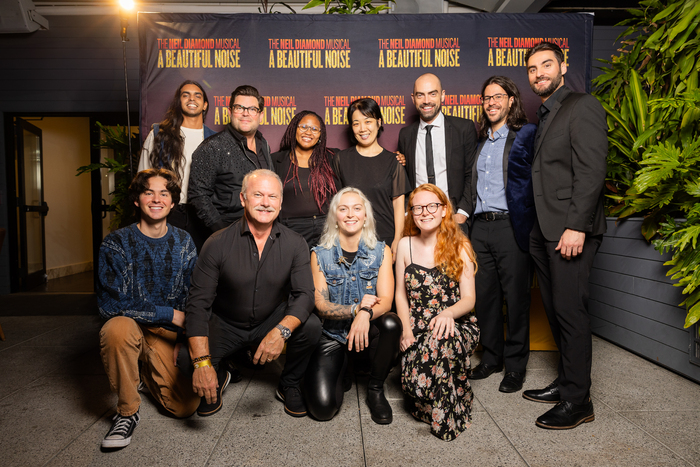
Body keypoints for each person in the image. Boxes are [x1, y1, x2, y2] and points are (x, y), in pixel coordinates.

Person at [178, 169, 322, 418]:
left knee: (311, 326)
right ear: (243, 198)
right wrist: (202, 363)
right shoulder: (217, 243)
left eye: (272, 197)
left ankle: (289, 383)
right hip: (225, 324)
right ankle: (221, 371)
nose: (266, 203)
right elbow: (198, 304)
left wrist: (281, 331)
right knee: (184, 358)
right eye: (258, 195)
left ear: (280, 202)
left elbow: (305, 295)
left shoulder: (295, 243)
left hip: (270, 321)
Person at [523, 42, 607, 430]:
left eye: (546, 65)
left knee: (570, 311)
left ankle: (578, 401)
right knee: (556, 309)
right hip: (545, 229)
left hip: (569, 229)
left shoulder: (581, 105)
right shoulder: (547, 112)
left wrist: (577, 225)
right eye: (532, 68)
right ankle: (568, 381)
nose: (538, 73)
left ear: (562, 66)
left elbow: (591, 171)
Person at [97, 168, 199, 449]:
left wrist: (183, 339)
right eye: (148, 192)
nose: (156, 199)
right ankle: (127, 412)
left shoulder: (184, 242)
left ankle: (143, 373)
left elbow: (192, 296)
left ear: (173, 202)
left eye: (164, 193)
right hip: (129, 327)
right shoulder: (116, 243)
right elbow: (111, 305)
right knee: (117, 328)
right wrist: (171, 315)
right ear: (137, 200)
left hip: (164, 334)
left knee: (186, 406)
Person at [304, 187, 401, 424]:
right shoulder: (320, 255)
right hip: (334, 335)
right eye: (343, 209)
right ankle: (344, 368)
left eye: (357, 208)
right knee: (322, 409)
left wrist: (365, 314)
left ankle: (375, 389)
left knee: (391, 322)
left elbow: (386, 301)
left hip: (370, 334)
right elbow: (319, 304)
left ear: (365, 215)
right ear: (334, 216)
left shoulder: (381, 251)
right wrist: (354, 310)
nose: (350, 214)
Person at [466, 76, 537, 393]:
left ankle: (516, 367)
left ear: (511, 100)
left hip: (511, 226)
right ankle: (491, 358)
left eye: (498, 96)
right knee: (485, 299)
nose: (491, 102)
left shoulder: (526, 135)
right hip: (480, 228)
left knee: (516, 299)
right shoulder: (480, 143)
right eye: (486, 98)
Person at [395, 184, 480, 441]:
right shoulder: (404, 246)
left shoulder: (460, 245)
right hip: (417, 325)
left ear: (444, 210)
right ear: (411, 213)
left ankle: (445, 418)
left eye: (432, 206)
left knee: (443, 337)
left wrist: (447, 315)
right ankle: (454, 396)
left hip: (457, 322)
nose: (425, 212)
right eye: (418, 207)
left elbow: (469, 299)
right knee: (423, 373)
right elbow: (400, 294)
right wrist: (406, 331)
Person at [187, 85, 272, 244]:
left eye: (252, 109)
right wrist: (222, 234)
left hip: (262, 235)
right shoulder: (212, 147)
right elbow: (198, 196)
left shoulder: (264, 145)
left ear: (260, 115)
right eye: (240, 107)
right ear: (230, 111)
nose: (246, 113)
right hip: (229, 235)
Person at [137, 80, 216, 250]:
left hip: (203, 213)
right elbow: (143, 178)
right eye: (185, 95)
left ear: (205, 105)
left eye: (197, 95)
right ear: (178, 102)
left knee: (201, 266)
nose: (191, 99)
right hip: (169, 211)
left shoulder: (216, 140)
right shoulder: (158, 134)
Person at [397, 73, 477, 232]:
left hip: (453, 220)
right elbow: (404, 180)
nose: (426, 100)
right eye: (421, 95)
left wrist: (462, 213)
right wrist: (408, 213)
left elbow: (472, 175)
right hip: (418, 221)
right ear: (413, 98)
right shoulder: (406, 135)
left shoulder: (463, 129)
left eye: (432, 94)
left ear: (443, 95)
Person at [337, 98, 410, 260]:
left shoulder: (393, 162)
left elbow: (398, 204)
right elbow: (336, 203)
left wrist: (398, 239)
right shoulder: (341, 159)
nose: (362, 128)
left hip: (385, 238)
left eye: (368, 121)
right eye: (356, 123)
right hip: (351, 239)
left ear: (379, 122)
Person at [272, 110, 342, 249]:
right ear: (294, 129)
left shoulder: (333, 157)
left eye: (315, 129)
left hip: (327, 228)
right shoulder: (275, 160)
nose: (308, 132)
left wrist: (397, 158)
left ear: (320, 135)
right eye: (303, 127)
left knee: (325, 270)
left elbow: (361, 160)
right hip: (290, 229)